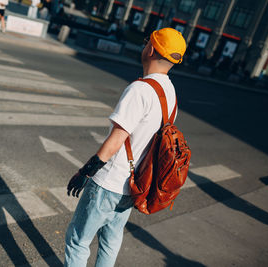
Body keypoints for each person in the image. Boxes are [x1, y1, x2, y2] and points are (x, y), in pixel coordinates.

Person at [65, 27, 187, 267]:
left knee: (78, 241)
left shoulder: (140, 89)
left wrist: (85, 172)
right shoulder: (169, 93)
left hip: (109, 182)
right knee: (110, 242)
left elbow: (116, 140)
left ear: (151, 48)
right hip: (134, 185)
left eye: (146, 42)